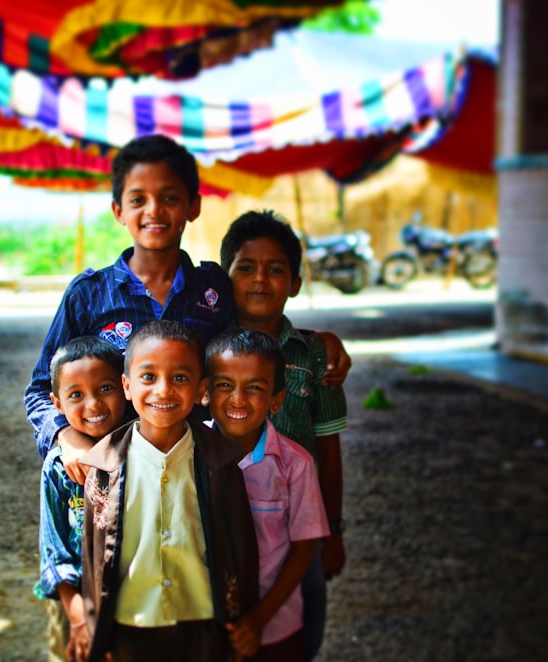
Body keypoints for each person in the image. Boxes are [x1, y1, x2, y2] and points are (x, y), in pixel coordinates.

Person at [24, 134, 352, 487]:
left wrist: (316, 341)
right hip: (114, 479)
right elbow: (42, 388)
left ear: (193, 206)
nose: (154, 210)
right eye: (138, 199)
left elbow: (254, 334)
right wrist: (65, 437)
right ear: (118, 210)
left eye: (169, 197)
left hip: (198, 480)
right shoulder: (89, 295)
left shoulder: (213, 289)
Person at [79, 320, 260, 662]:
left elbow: (242, 551)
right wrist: (97, 635)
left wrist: (244, 620)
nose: (163, 390)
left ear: (200, 389)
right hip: (131, 626)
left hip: (205, 624)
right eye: (148, 377)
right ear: (127, 386)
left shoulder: (220, 465)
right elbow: (93, 560)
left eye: (179, 378)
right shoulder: (103, 468)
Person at [220, 209, 348, 661]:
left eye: (276, 270)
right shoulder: (208, 351)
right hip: (229, 520)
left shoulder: (314, 358)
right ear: (225, 277)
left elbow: (329, 452)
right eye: (246, 268)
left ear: (294, 282)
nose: (260, 280)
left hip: (302, 527)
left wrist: (332, 529)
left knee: (301, 622)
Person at [205, 327, 329, 661]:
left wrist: (259, 619)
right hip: (203, 625)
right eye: (224, 385)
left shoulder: (295, 465)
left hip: (273, 626)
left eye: (255, 388)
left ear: (277, 399)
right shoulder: (188, 451)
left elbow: (305, 548)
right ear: (205, 392)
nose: (238, 399)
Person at [34, 336, 127, 662]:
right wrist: (79, 621)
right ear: (56, 404)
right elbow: (54, 552)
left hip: (134, 610)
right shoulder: (59, 467)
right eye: (76, 395)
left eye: (105, 388)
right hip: (74, 605)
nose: (93, 405)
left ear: (125, 387)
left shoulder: (140, 452)